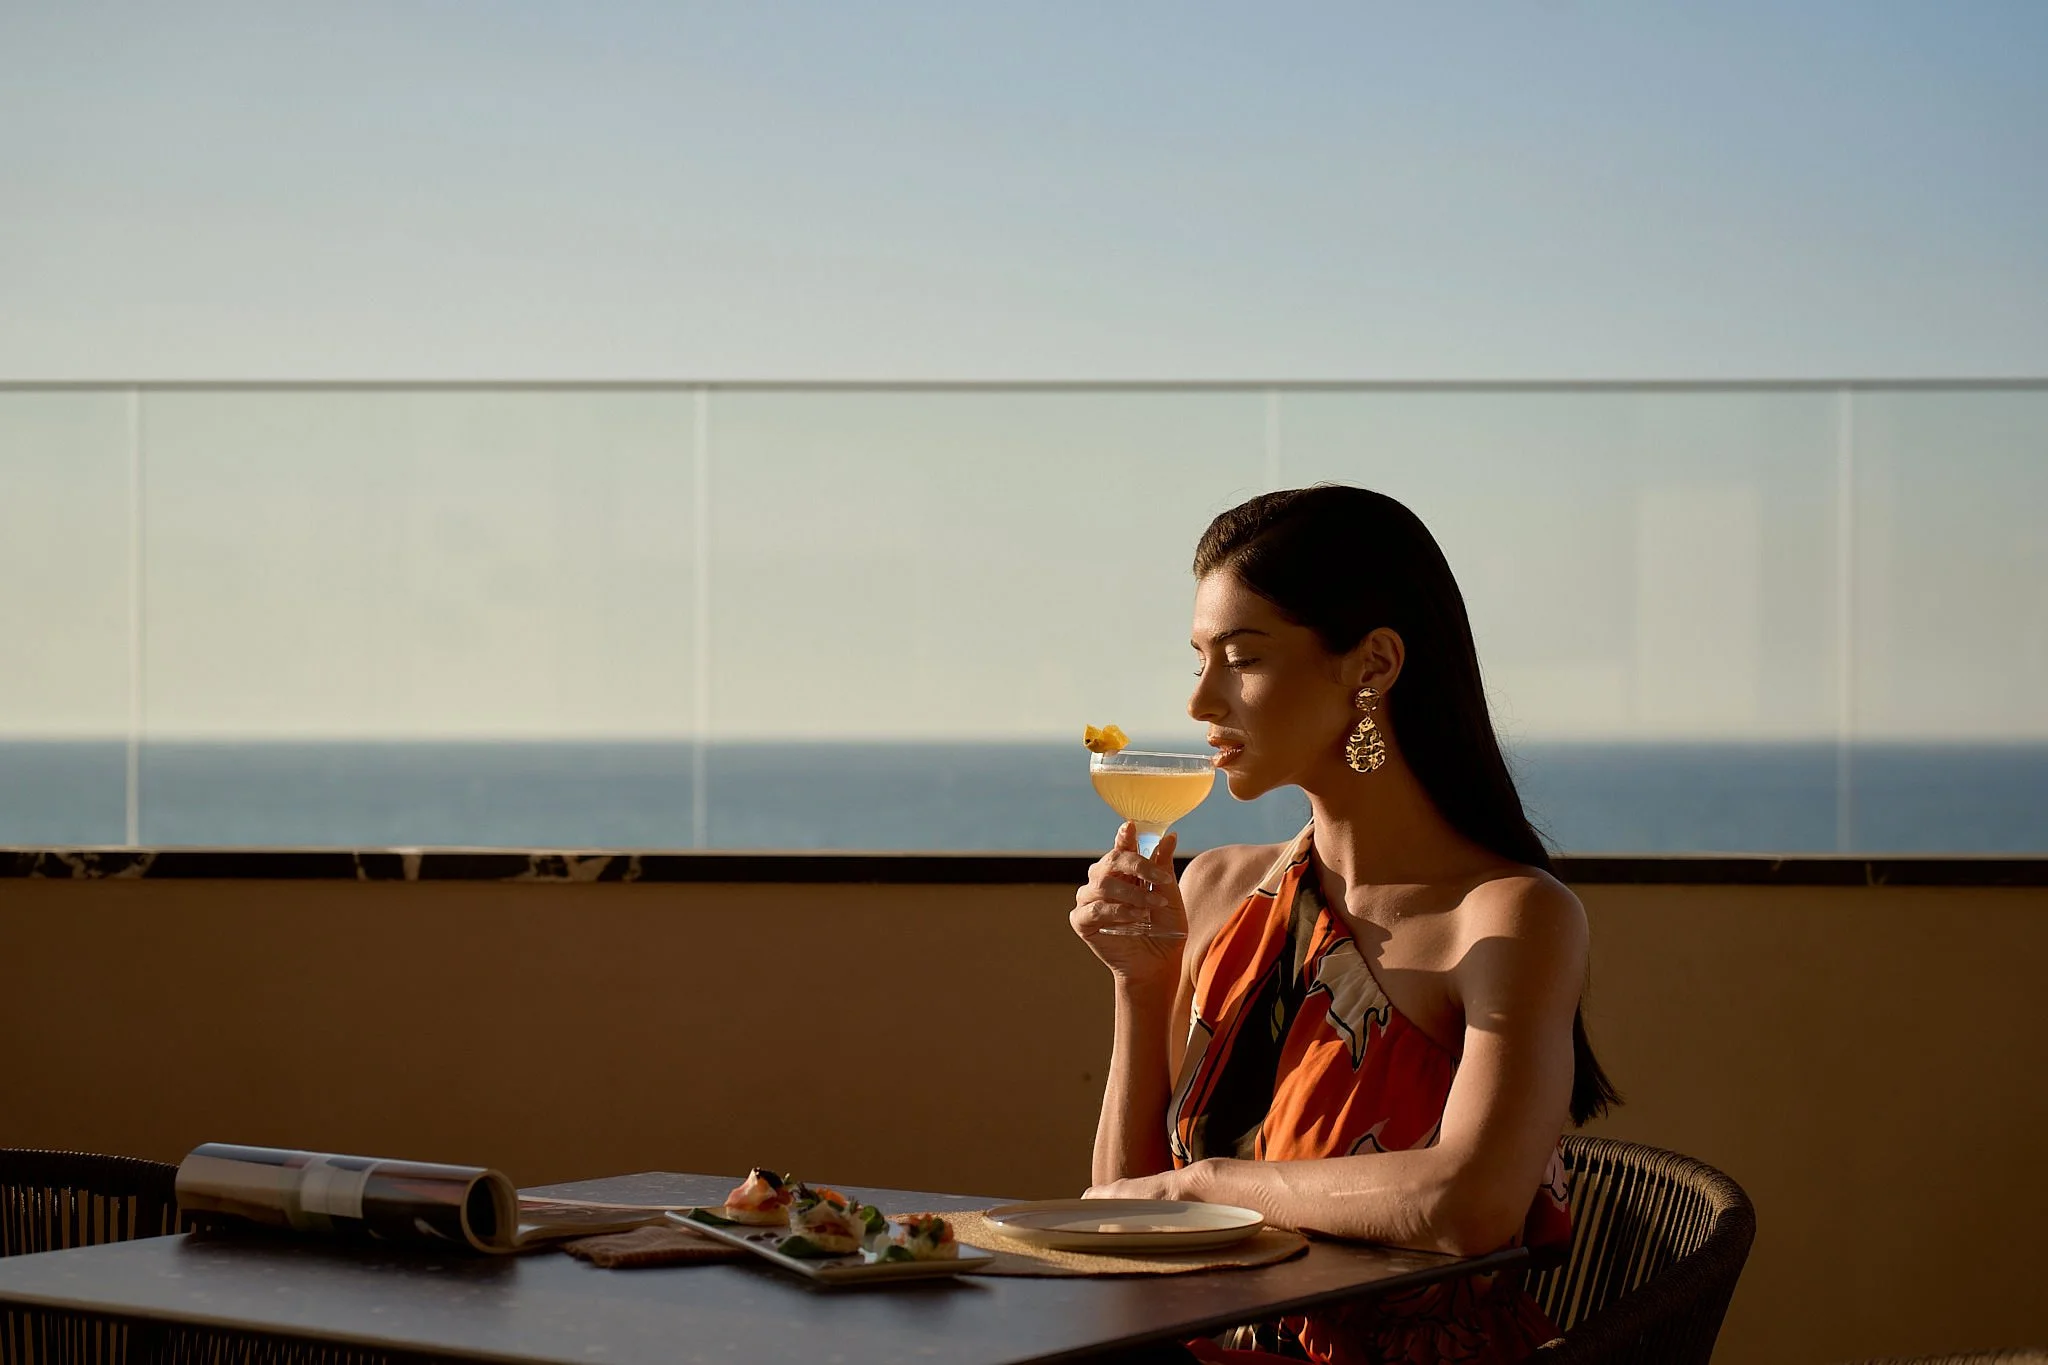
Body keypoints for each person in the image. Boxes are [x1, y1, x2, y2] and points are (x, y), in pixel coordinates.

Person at [1071, 486, 1619, 1364]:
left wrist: (1206, 1185)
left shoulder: (1510, 918)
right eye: (1199, 657)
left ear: (1372, 665)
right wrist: (1139, 987)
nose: (1201, 700)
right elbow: (1128, 1218)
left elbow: (1467, 1203)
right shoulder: (1213, 890)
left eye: (1240, 658)